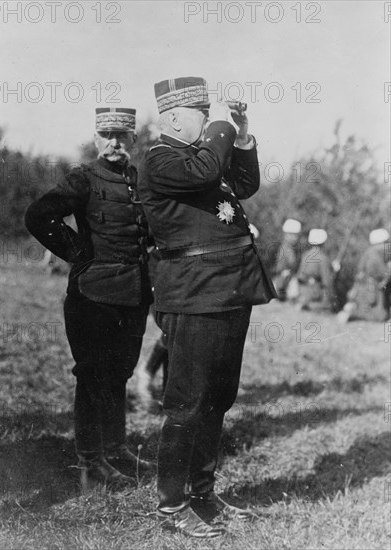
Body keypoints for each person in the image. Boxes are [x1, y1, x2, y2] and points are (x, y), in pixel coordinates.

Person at [138, 76, 277, 538]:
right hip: (194, 293)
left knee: (218, 397)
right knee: (188, 402)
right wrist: (220, 124)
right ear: (175, 117)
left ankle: (202, 493)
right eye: (202, 112)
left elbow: (244, 183)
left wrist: (240, 131)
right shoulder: (161, 159)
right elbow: (203, 174)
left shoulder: (201, 156)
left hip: (229, 288)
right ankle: (171, 505)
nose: (208, 121)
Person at [25, 107, 154, 492]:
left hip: (133, 295)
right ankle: (89, 461)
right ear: (96, 138)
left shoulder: (137, 179)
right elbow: (38, 216)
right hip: (93, 295)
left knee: (120, 373)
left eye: (121, 136)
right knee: (92, 375)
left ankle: (115, 449)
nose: (114, 143)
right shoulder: (83, 178)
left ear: (133, 140)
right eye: (106, 135)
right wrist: (79, 252)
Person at [337, 228, 391, 323]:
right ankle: (351, 314)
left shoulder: (369, 252)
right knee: (380, 317)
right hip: (371, 291)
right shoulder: (375, 255)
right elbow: (384, 273)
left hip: (365, 290)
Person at [296, 229, 333, 311]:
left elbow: (299, 275)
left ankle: (303, 302)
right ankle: (309, 306)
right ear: (323, 243)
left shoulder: (305, 255)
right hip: (314, 292)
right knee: (328, 305)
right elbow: (326, 282)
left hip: (302, 290)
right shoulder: (323, 258)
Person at [273, 218, 302, 301]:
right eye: (291, 235)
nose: (294, 238)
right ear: (286, 235)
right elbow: (281, 268)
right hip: (283, 279)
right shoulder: (285, 248)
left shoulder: (292, 248)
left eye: (296, 235)